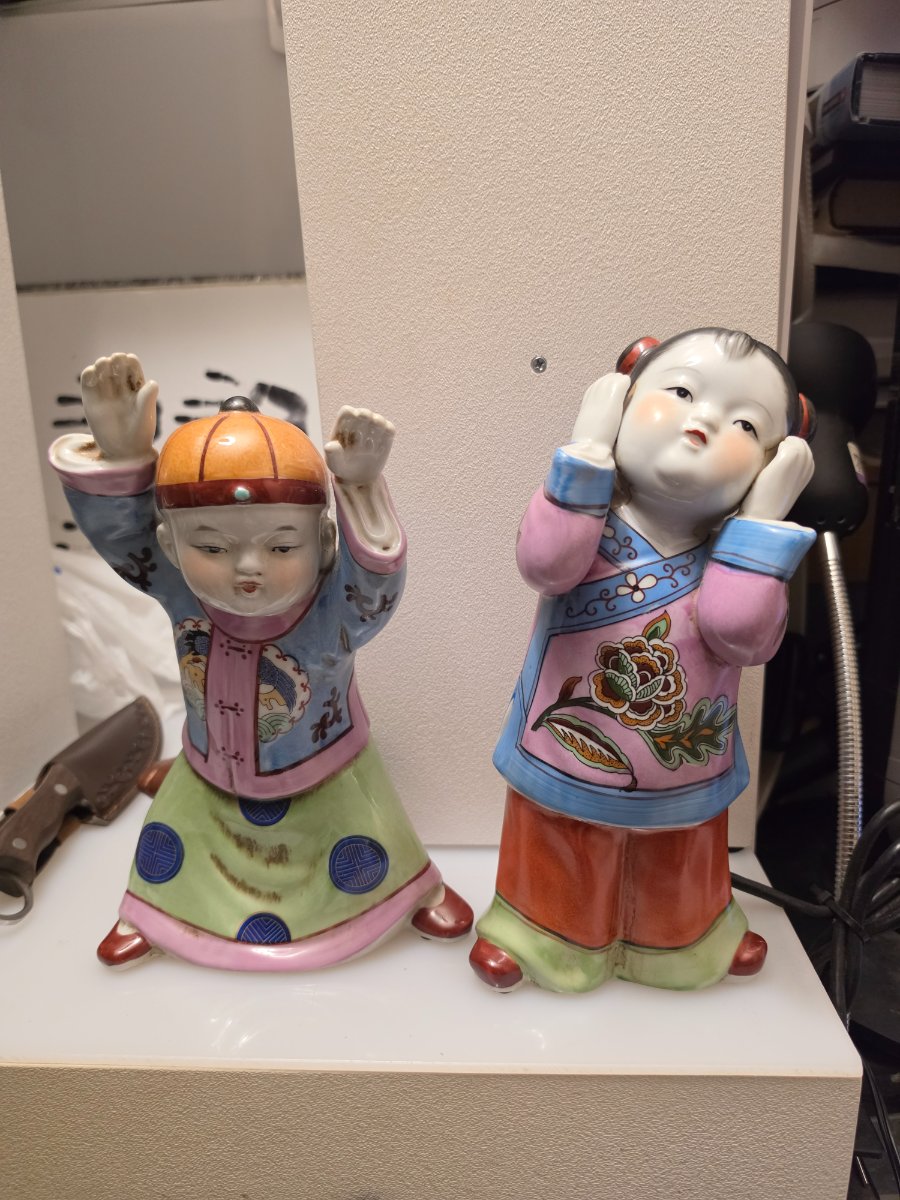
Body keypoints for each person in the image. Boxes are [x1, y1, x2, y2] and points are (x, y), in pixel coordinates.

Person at [51, 353, 472, 969]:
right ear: (171, 546)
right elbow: (125, 540)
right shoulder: (178, 590)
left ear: (323, 542)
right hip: (209, 768)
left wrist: (358, 489)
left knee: (373, 835)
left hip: (321, 768)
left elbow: (373, 592)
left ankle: (410, 892)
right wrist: (123, 457)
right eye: (212, 546)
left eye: (280, 546)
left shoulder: (329, 613)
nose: (247, 567)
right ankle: (155, 914)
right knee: (170, 840)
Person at [471, 328, 816, 992]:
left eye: (745, 424)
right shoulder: (589, 514)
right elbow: (545, 564)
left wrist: (762, 522)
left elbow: (738, 631)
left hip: (682, 756)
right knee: (563, 837)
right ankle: (540, 936)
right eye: (681, 392)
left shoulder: (735, 548)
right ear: (622, 398)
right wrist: (587, 452)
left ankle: (685, 942)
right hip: (570, 740)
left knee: (678, 851)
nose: (701, 423)